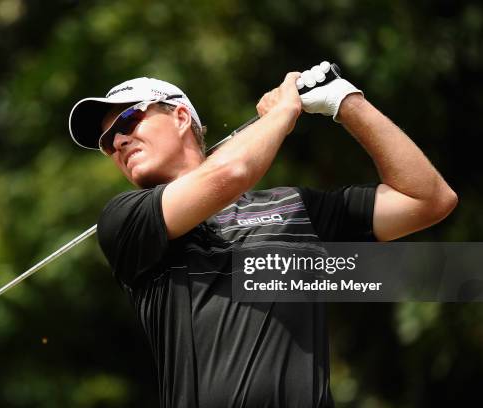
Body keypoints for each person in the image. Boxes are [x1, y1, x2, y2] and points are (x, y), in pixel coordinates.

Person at [68, 64, 457, 407]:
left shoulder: (295, 209)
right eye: (106, 141)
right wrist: (285, 113)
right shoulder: (125, 221)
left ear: (182, 116)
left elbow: (427, 200)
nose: (117, 141)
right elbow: (229, 175)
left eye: (129, 121)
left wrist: (347, 103)